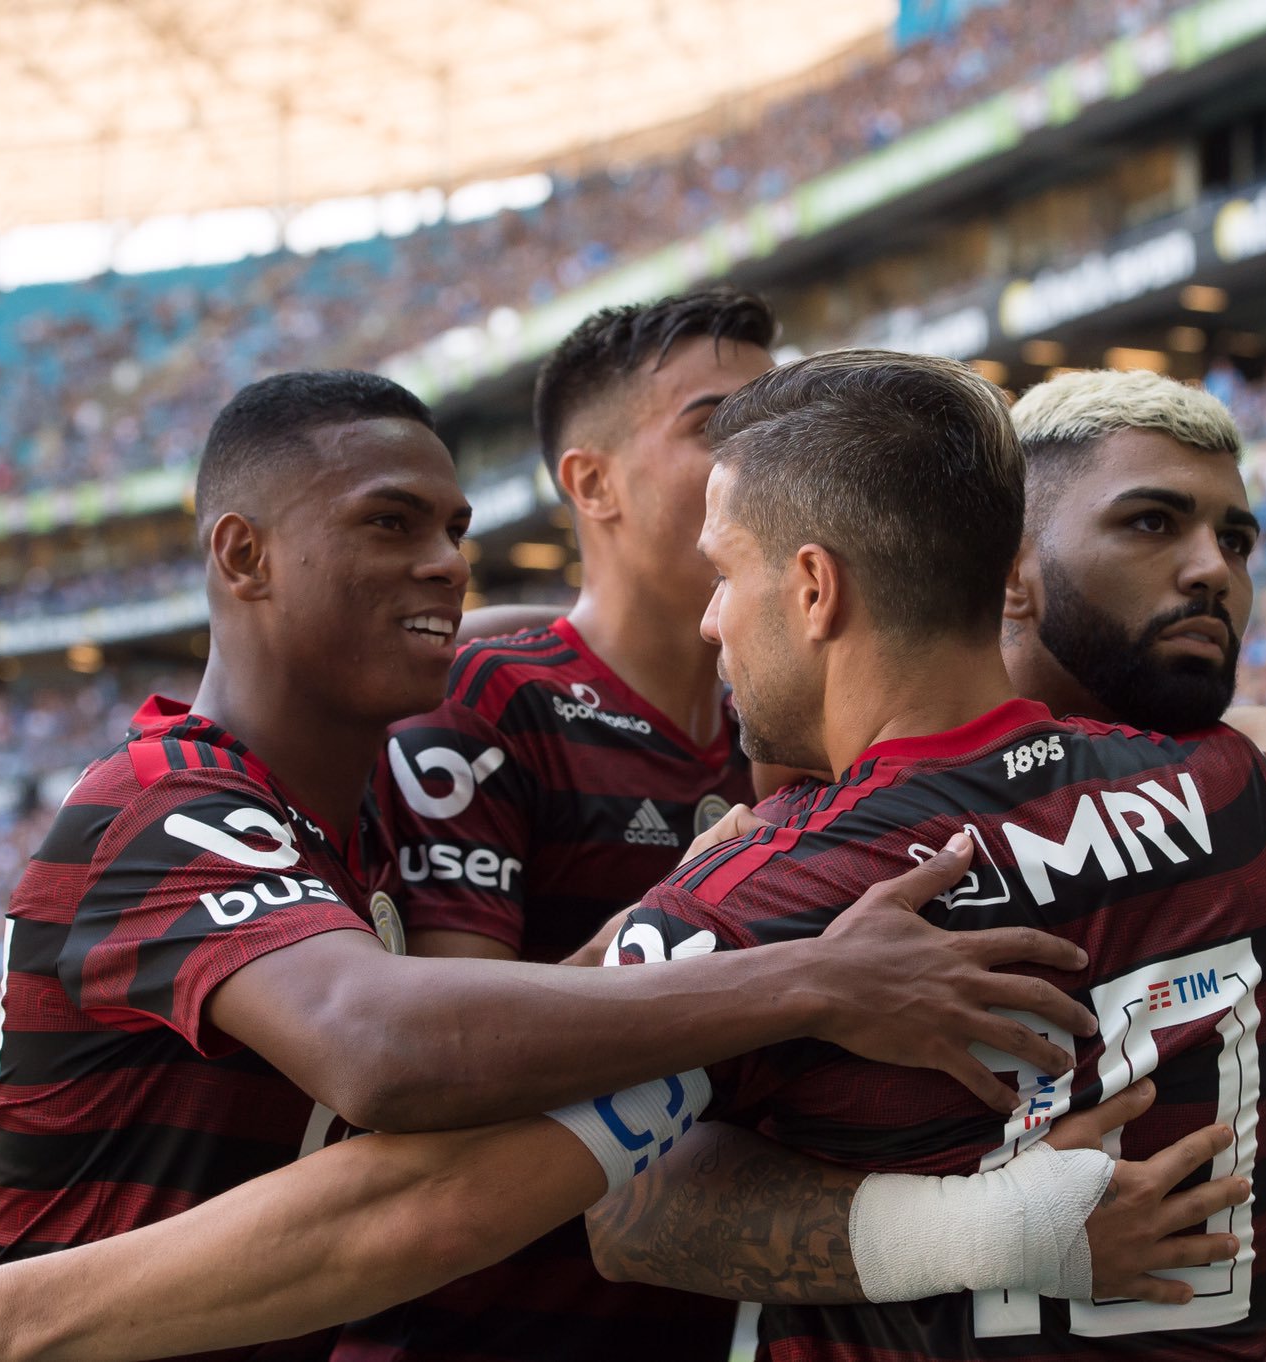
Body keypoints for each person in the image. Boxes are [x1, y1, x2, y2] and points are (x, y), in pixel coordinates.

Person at [0, 368, 1113, 1359]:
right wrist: (814, 978)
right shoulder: (163, 802)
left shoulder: (362, 827)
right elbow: (384, 1049)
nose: (447, 563)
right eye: (388, 523)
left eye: (455, 530)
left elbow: (515, 1025)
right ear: (242, 556)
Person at [593, 352, 1266, 1360]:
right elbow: (630, 1211)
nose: (1212, 569)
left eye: (1236, 538)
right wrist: (995, 1232)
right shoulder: (1258, 798)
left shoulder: (1246, 806)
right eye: (1148, 523)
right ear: (1007, 574)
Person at [345, 287, 775, 1362]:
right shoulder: (491, 697)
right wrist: (683, 918)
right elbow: (453, 1058)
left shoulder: (785, 728)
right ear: (591, 483)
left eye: (781, 425)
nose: (764, 458)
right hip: (468, 1331)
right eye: (719, 425)